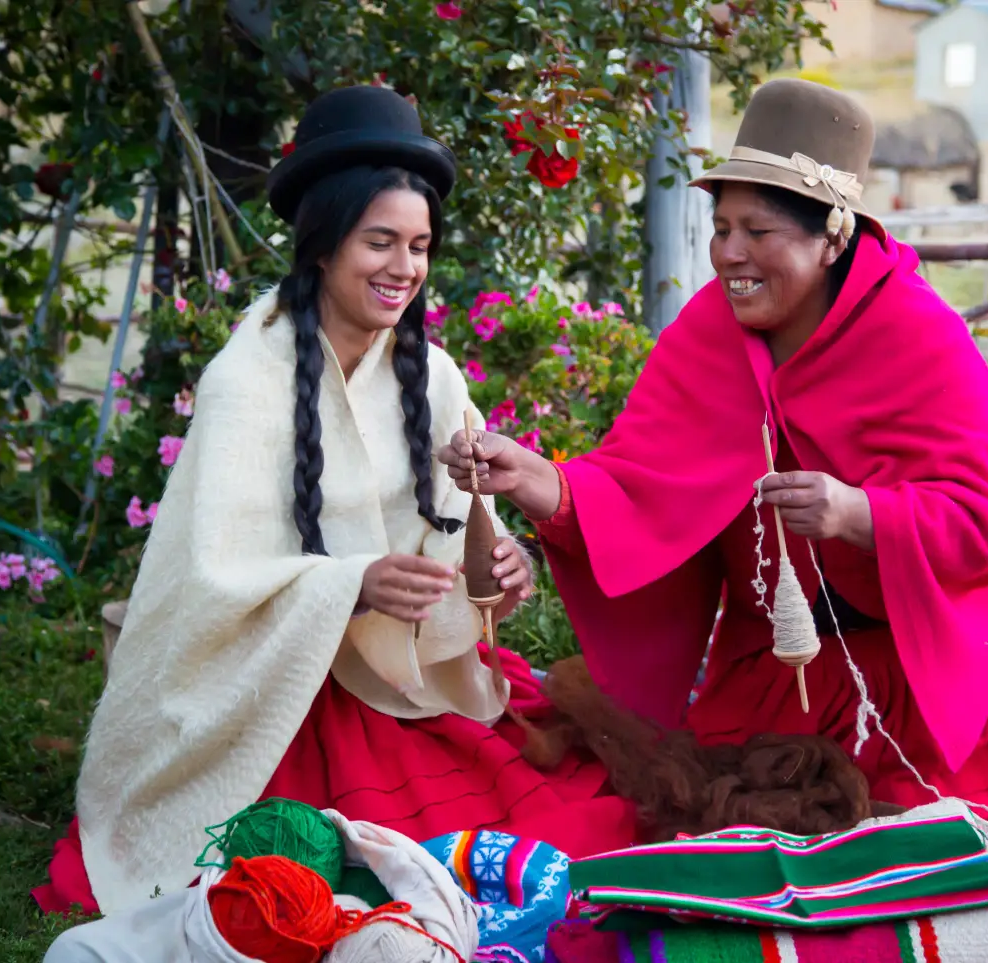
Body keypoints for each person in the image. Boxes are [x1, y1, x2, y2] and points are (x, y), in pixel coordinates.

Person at [34, 85, 634, 918]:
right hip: (284, 684)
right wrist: (350, 583)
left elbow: (451, 536)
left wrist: (497, 561)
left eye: (419, 245)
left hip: (400, 671)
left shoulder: (431, 371)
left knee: (540, 816)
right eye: (379, 242)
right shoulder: (249, 380)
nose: (404, 269)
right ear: (322, 244)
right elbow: (214, 574)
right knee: (360, 855)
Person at [437, 78, 988, 817]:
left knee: (925, 832)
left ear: (831, 236)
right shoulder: (708, 332)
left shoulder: (921, 338)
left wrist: (861, 513)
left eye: (757, 232)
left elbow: (985, 528)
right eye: (721, 228)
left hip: (942, 650)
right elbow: (641, 484)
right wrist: (540, 481)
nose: (728, 253)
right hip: (790, 651)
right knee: (723, 806)